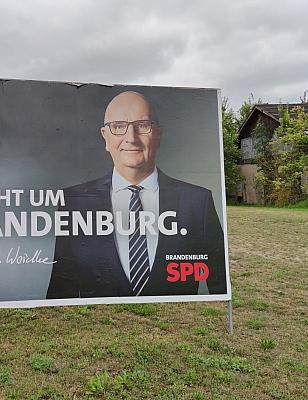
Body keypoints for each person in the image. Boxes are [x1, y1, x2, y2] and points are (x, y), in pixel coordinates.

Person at [46, 91, 226, 299]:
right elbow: (60, 293)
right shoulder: (74, 202)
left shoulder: (197, 203)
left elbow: (220, 285)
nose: (130, 138)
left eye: (142, 125)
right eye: (118, 127)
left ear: (158, 134)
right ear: (105, 136)